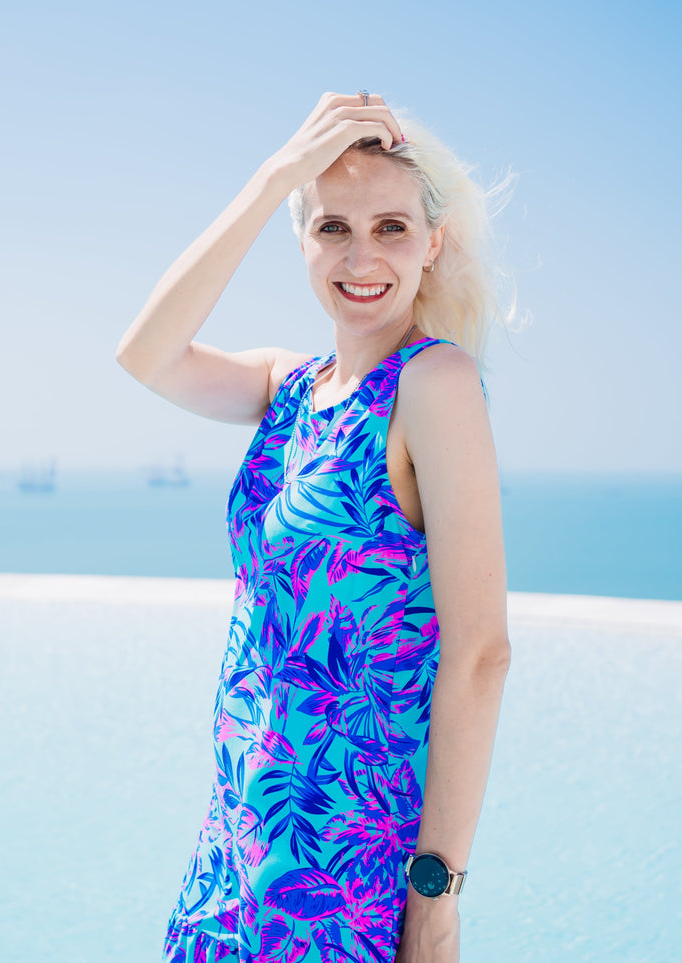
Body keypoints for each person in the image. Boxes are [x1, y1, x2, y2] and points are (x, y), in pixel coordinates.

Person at [115, 91, 515, 963]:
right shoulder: (288, 387)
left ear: (431, 244)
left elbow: (480, 651)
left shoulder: (432, 386)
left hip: (347, 875)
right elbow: (146, 353)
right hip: (239, 846)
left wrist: (436, 900)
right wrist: (273, 180)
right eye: (332, 226)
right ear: (301, 241)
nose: (361, 255)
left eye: (391, 228)